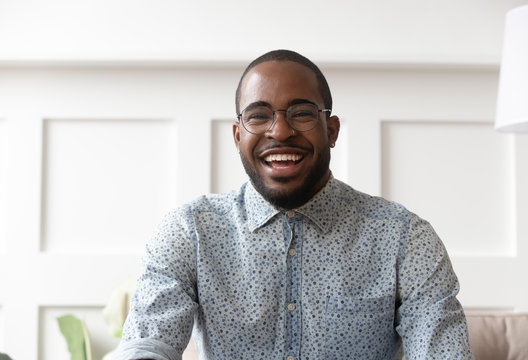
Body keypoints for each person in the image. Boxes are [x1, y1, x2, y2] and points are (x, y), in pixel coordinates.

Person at [114, 50, 473, 359]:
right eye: (258, 115)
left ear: (331, 130)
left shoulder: (404, 238)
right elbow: (148, 343)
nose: (281, 131)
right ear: (238, 135)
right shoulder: (189, 231)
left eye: (301, 113)